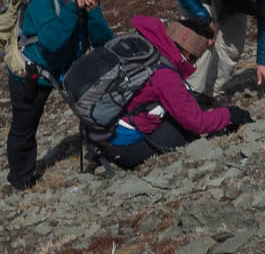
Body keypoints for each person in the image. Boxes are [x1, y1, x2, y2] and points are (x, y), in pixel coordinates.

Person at [6, 0, 112, 190]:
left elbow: (103, 41)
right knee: (24, 126)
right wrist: (71, 9)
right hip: (31, 73)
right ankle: (20, 180)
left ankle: (109, 149)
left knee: (95, 105)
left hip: (64, 67)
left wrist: (93, 13)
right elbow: (51, 42)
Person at [105, 16, 252, 168]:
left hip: (101, 131)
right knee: (185, 132)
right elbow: (197, 122)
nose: (194, 64)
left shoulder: (149, 49)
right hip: (121, 147)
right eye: (196, 59)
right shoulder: (166, 76)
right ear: (188, 54)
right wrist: (229, 114)